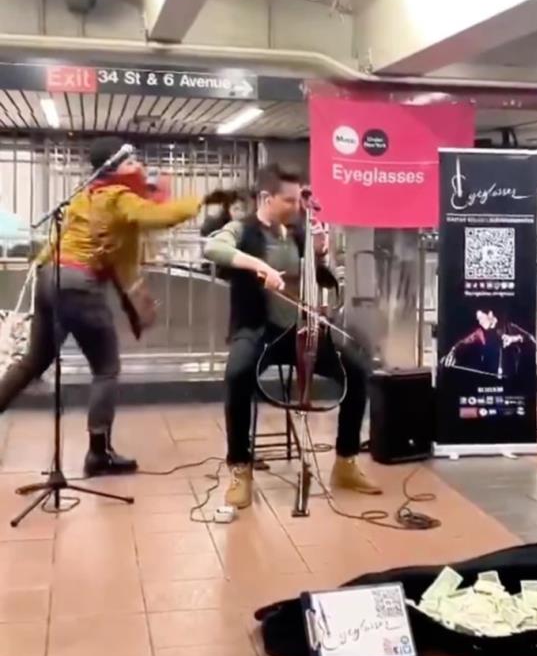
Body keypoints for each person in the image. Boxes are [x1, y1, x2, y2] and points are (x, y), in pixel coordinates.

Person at [0, 136, 223, 477]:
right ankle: (97, 454)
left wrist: (43, 268)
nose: (140, 167)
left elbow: (64, 239)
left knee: (33, 361)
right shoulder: (118, 196)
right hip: (79, 285)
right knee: (106, 369)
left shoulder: (86, 196)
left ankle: (96, 450)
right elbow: (154, 217)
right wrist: (200, 200)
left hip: (53, 278)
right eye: (132, 162)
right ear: (112, 169)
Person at [204, 162, 381, 509]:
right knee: (237, 375)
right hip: (258, 329)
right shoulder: (243, 229)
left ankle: (345, 461)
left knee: (357, 371)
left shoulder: (298, 233)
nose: (297, 208)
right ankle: (240, 468)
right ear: (266, 198)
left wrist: (319, 254)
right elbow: (214, 248)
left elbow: (317, 279)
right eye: (289, 201)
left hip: (299, 331)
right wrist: (261, 267)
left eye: (299, 200)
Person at [441, 308, 535, 378]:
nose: (480, 322)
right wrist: (453, 351)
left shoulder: (508, 326)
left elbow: (531, 339)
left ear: (490, 314)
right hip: (490, 377)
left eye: (481, 317)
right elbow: (462, 342)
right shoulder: (479, 332)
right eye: (478, 319)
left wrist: (515, 338)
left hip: (512, 379)